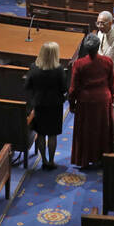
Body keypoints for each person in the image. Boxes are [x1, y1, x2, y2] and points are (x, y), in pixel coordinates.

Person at [68, 33, 114, 168]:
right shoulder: (108, 61)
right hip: (103, 100)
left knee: (86, 130)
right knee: (102, 129)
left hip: (85, 101)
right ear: (99, 46)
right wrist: (112, 98)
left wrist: (72, 104)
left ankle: (84, 159)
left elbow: (73, 88)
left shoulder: (79, 63)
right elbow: (112, 83)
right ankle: (102, 157)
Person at [25, 41, 69, 170]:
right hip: (55, 105)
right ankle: (51, 161)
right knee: (52, 134)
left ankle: (43, 160)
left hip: (39, 105)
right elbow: (64, 88)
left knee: (41, 133)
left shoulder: (34, 67)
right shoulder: (59, 69)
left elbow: (27, 86)